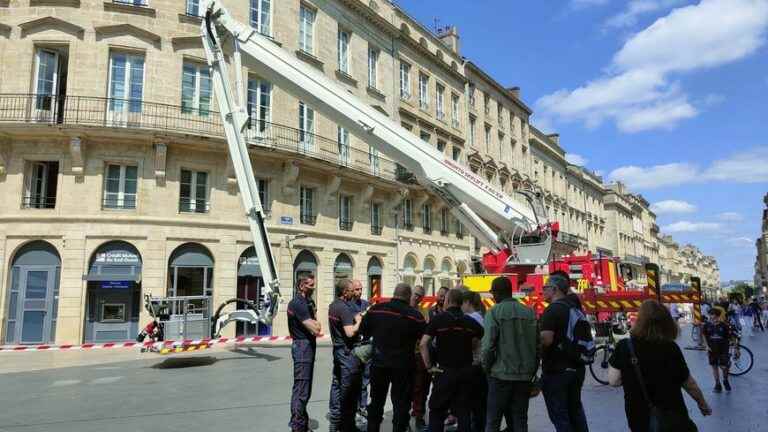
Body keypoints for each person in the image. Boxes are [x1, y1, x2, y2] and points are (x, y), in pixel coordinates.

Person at [608, 300, 711, 432]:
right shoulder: (670, 347)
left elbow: (614, 381)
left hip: (640, 419)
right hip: (672, 418)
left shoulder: (625, 347)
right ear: (666, 322)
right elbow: (689, 384)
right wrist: (702, 404)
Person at [360, 283, 426, 432]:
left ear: (394, 293)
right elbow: (424, 339)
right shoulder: (415, 316)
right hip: (403, 367)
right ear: (408, 296)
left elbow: (364, 330)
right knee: (401, 405)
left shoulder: (376, 310)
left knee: (376, 402)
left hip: (379, 364)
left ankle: (372, 428)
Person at [420, 288, 484, 432]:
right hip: (466, 373)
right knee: (464, 412)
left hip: (444, 372)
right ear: (461, 303)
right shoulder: (470, 322)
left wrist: (429, 367)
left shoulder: (438, 319)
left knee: (437, 411)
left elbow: (423, 343)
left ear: (448, 301)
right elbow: (478, 340)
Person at [481, 277, 539, 432]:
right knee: (520, 419)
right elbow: (537, 347)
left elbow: (487, 347)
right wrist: (532, 372)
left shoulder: (493, 313)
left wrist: (486, 368)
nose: (492, 296)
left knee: (493, 420)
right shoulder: (529, 312)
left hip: (500, 375)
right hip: (524, 377)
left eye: (493, 292)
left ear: (498, 293)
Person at [540, 274, 589, 432]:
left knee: (560, 416)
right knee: (575, 411)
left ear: (554, 289)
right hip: (577, 367)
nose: (543, 291)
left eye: (545, 288)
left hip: (557, 371)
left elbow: (546, 340)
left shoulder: (552, 310)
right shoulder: (574, 307)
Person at [328, 279, 364, 432]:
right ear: (345, 292)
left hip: (337, 350)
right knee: (348, 389)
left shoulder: (333, 306)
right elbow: (350, 332)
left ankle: (335, 421)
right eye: (351, 290)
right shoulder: (344, 309)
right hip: (347, 352)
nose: (353, 293)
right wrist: (359, 321)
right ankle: (346, 425)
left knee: (336, 384)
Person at [287, 275, 322, 432]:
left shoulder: (308, 302)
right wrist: (315, 325)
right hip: (302, 347)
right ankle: (297, 425)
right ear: (301, 286)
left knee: (305, 389)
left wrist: (315, 324)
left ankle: (301, 421)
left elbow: (317, 324)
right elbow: (315, 328)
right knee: (301, 388)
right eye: (310, 285)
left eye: (314, 285)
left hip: (308, 346)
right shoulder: (298, 303)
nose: (313, 288)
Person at [461, 290, 487, 432]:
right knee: (480, 406)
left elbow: (472, 343)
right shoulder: (482, 316)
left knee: (474, 405)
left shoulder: (471, 319)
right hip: (482, 366)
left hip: (474, 364)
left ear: (467, 303)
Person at [350, 279, 372, 417]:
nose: (359, 292)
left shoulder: (366, 304)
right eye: (357, 289)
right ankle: (352, 407)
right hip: (354, 346)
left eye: (361, 289)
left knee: (365, 379)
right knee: (353, 380)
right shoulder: (348, 305)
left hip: (366, 345)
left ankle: (362, 407)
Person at [410, 285, 430, 430]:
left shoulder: (424, 311)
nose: (418, 297)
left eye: (421, 296)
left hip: (418, 354)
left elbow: (426, 333)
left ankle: (418, 416)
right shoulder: (405, 310)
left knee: (420, 387)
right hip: (405, 355)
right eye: (416, 294)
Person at [703, 307, 732, 392]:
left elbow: (729, 338)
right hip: (712, 350)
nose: (712, 318)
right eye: (711, 315)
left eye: (714, 316)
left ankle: (725, 380)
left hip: (723, 349)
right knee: (714, 367)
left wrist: (734, 348)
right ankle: (717, 384)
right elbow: (704, 335)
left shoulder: (724, 326)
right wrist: (706, 346)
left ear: (718, 316)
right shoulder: (707, 325)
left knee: (724, 367)